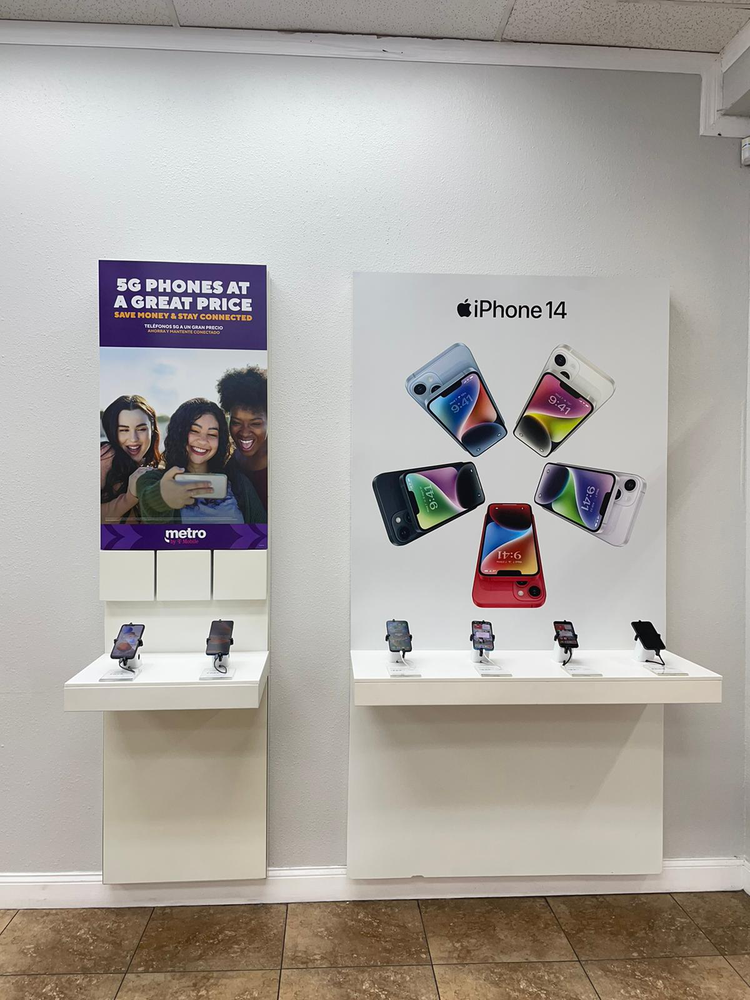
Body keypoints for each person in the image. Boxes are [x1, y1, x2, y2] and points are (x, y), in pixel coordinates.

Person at [137, 398, 266, 525]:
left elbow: (263, 531)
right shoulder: (151, 479)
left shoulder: (238, 482)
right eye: (194, 431)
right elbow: (149, 504)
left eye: (212, 434)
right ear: (179, 432)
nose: (203, 441)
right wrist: (161, 497)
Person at [100, 395, 162, 524]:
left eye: (141, 429)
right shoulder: (105, 457)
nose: (133, 438)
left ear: (152, 430)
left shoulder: (155, 465)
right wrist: (129, 498)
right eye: (124, 430)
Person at [216, 365, 268, 511]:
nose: (244, 432)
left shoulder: (284, 464)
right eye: (236, 422)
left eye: (255, 423)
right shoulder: (230, 459)